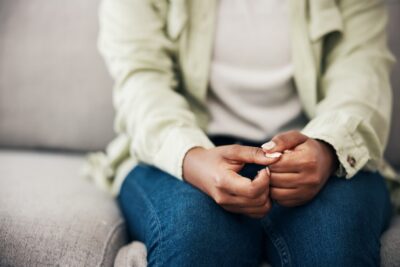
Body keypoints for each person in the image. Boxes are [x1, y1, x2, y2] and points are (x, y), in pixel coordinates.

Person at [85, 0, 395, 266]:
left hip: (316, 146)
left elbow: (363, 72)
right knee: (195, 239)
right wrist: (192, 158)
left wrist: (327, 149)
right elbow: (141, 81)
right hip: (187, 148)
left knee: (335, 244)